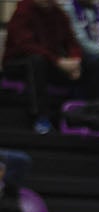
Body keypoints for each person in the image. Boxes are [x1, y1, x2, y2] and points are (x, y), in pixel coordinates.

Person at [3, 0, 84, 134]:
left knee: (90, 62)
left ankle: (80, 114)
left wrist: (76, 61)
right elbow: (26, 46)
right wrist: (58, 61)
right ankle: (39, 116)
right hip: (17, 62)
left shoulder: (58, 14)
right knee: (36, 61)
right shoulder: (23, 11)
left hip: (49, 60)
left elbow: (71, 42)